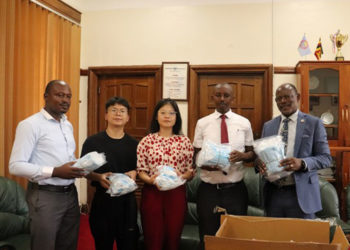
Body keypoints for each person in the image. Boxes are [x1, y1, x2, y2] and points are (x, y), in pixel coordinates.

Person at [9, 80, 85, 250]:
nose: (65, 100)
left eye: (68, 96)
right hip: (45, 196)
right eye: (59, 95)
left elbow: (64, 157)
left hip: (70, 195)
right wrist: (55, 172)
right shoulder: (30, 125)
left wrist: (80, 167)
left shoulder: (67, 124)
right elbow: (15, 165)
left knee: (68, 244)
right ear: (45, 97)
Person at [193, 83, 255, 250]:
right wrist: (204, 164)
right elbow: (195, 154)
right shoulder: (202, 123)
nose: (222, 99)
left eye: (226, 95)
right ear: (212, 97)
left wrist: (242, 156)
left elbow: (252, 154)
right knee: (207, 238)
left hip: (235, 190)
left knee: (235, 238)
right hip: (208, 191)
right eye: (218, 95)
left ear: (232, 98)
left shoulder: (244, 123)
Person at [257, 83, 332, 219]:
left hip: (301, 195)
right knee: (275, 238)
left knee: (301, 239)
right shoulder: (268, 126)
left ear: (297, 97)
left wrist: (302, 163)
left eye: (287, 97)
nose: (283, 101)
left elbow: (326, 158)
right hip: (273, 195)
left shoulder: (313, 123)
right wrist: (260, 164)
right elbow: (261, 156)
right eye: (279, 99)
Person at [81, 96, 139, 250]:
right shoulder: (92, 142)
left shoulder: (135, 144)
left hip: (127, 203)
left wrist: (135, 172)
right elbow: (83, 171)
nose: (118, 114)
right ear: (106, 115)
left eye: (122, 111)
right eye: (113, 110)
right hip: (103, 201)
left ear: (128, 117)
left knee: (128, 244)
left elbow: (140, 169)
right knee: (102, 244)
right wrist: (98, 177)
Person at [137, 98, 194, 250]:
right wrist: (150, 180)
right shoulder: (146, 141)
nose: (167, 116)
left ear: (177, 117)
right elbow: (141, 170)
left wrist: (183, 176)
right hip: (153, 193)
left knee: (173, 238)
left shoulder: (185, 141)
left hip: (176, 194)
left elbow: (190, 171)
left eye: (171, 113)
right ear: (156, 116)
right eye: (163, 113)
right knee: (153, 238)